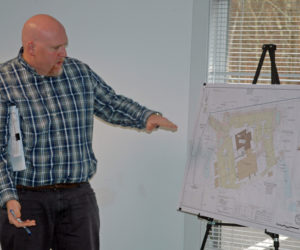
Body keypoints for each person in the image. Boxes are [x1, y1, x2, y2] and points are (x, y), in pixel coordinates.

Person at [0, 14, 177, 250]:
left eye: (64, 45)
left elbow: (110, 103)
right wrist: (8, 197)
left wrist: (145, 116)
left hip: (78, 198)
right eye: (56, 48)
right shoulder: (4, 81)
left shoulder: (78, 72)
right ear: (31, 47)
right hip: (26, 198)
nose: (63, 53)